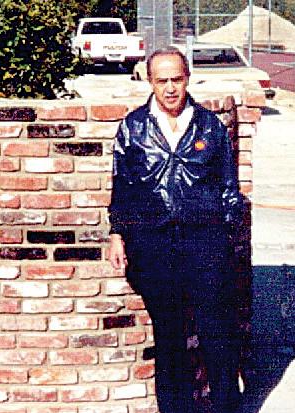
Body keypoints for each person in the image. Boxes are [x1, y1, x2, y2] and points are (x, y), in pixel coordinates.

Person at [108, 47, 243, 413]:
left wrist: (226, 240)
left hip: (205, 244)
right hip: (154, 246)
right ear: (149, 82)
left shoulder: (209, 127)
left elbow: (228, 188)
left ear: (187, 79)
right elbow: (122, 186)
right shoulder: (133, 127)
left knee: (216, 334)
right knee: (169, 338)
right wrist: (117, 233)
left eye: (176, 79)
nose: (170, 88)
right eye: (161, 80)